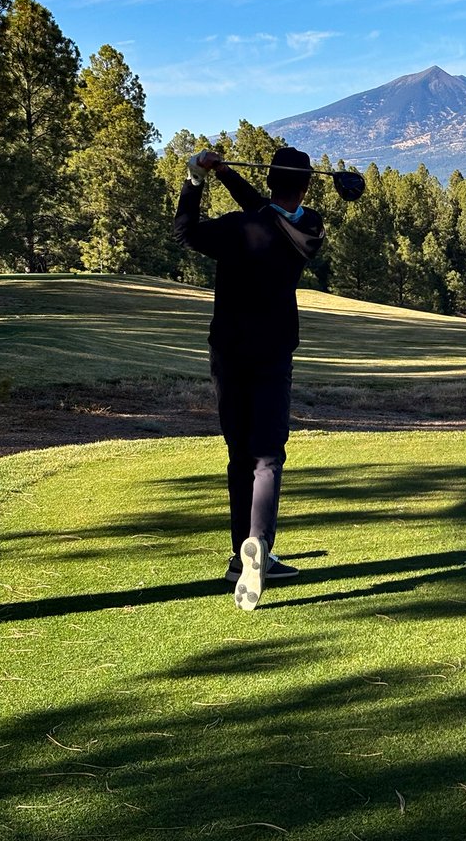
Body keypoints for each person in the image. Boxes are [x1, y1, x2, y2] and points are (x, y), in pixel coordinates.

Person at [174, 146, 325, 611]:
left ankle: (242, 552)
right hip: (273, 352)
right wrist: (225, 174)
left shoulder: (237, 228)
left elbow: (185, 232)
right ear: (305, 188)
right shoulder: (310, 228)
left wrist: (196, 180)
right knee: (268, 456)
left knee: (240, 454)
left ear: (270, 179)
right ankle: (256, 543)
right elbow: (266, 209)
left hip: (229, 351)